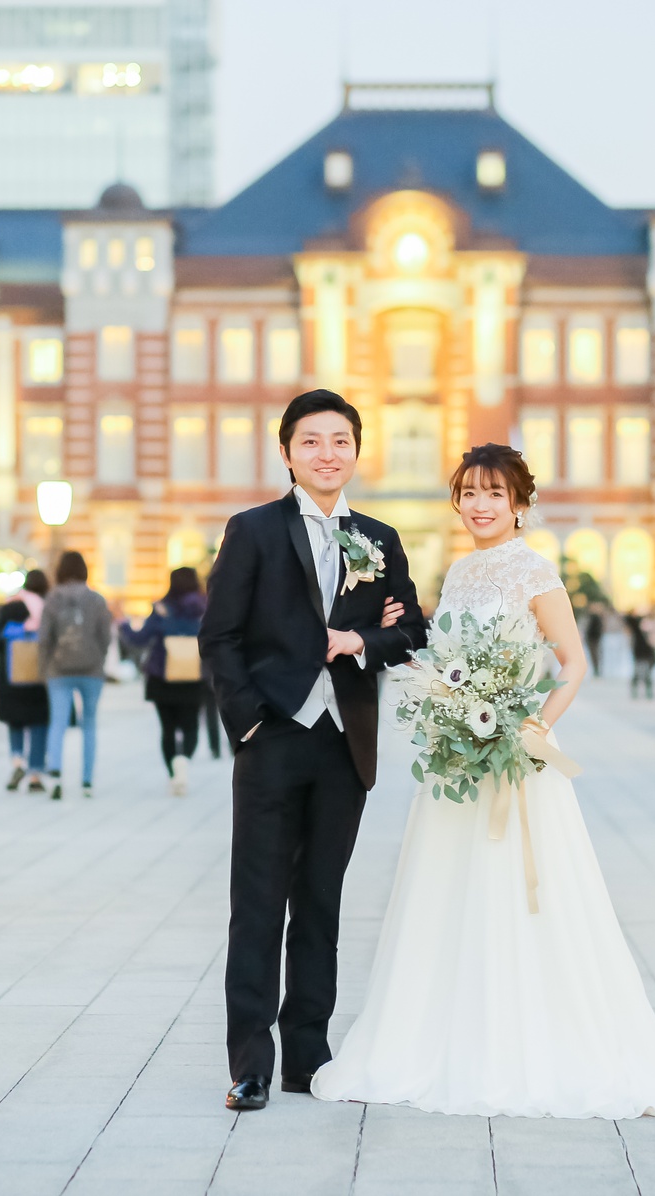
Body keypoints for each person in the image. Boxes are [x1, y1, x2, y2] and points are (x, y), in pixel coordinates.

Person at [312, 444, 655, 1119]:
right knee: (448, 890)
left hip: (516, 751)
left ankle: (524, 1041)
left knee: (518, 893)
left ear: (519, 502)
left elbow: (571, 664)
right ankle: (445, 1033)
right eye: (469, 493)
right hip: (459, 759)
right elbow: (445, 657)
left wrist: (533, 726)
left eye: (494, 492)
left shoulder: (533, 569)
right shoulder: (458, 571)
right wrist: (414, 667)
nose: (481, 505)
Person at [199, 389, 426, 1112]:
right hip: (272, 740)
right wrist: (249, 722)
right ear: (287, 452)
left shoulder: (380, 538)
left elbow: (412, 628)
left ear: (356, 451)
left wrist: (366, 638)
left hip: (344, 744)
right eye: (311, 442)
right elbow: (221, 636)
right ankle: (250, 1062)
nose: (327, 454)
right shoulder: (254, 530)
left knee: (321, 904)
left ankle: (308, 1055)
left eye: (340, 442)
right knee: (258, 904)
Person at [120, 566, 209, 796]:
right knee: (191, 727)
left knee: (167, 729)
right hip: (194, 675)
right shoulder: (205, 607)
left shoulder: (162, 608)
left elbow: (139, 639)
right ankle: (184, 761)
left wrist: (124, 624)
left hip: (162, 677)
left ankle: (172, 774)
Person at [40, 551, 113, 801]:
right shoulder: (96, 600)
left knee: (57, 723)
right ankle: (87, 781)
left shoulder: (52, 599)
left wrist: (45, 668)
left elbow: (44, 639)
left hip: (58, 670)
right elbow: (106, 637)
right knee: (89, 723)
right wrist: (99, 659)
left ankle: (56, 775)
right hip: (91, 670)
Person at [0, 569, 51, 794]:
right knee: (38, 721)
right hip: (38, 677)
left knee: (15, 719)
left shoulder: (10, 607)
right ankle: (35, 774)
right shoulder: (47, 608)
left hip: (10, 676)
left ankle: (17, 761)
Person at [624, 611, 655, 699]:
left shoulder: (648, 632)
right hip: (639, 654)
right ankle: (637, 691)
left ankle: (648, 692)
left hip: (647, 654)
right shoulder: (637, 631)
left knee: (647, 674)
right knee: (638, 672)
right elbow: (628, 620)